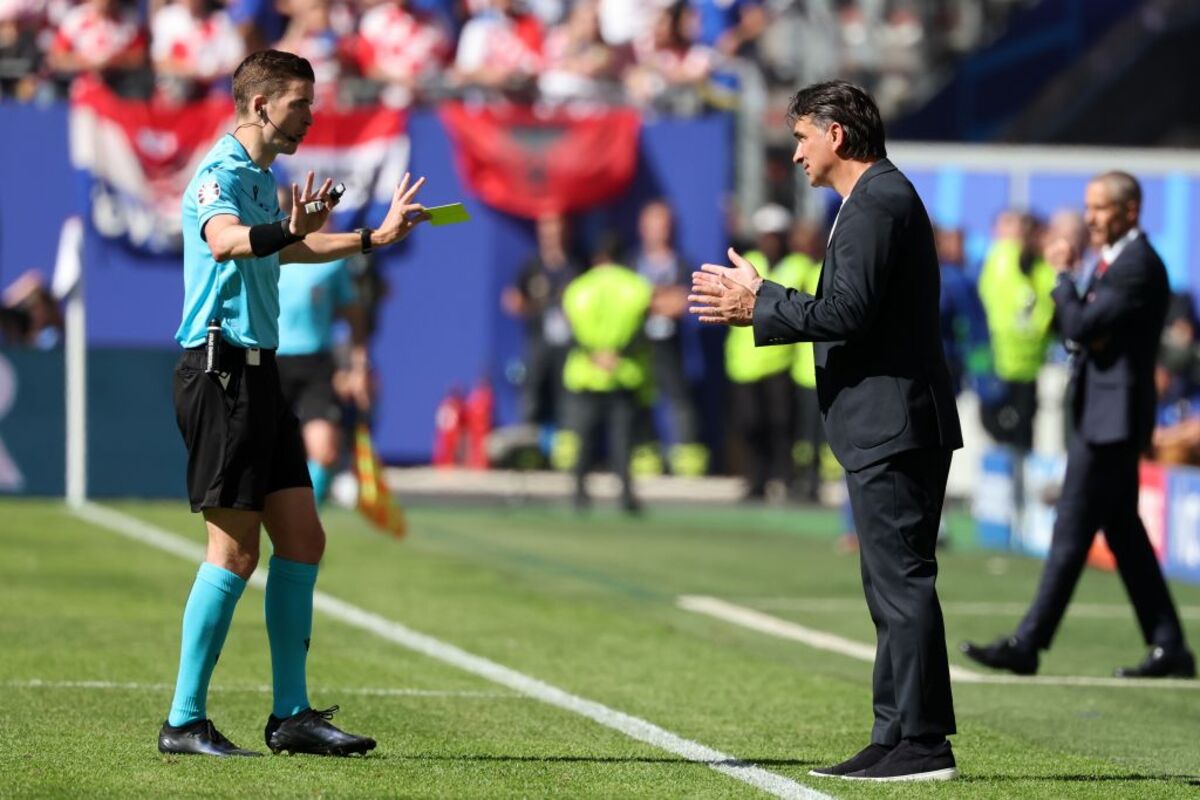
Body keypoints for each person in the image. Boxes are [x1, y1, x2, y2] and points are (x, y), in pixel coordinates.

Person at [689, 80, 962, 781]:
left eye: (802, 138)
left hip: (896, 421)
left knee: (901, 582)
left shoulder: (879, 201)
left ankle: (924, 742)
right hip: (884, 421)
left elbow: (849, 312)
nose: (797, 153)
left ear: (836, 135)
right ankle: (893, 733)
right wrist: (766, 301)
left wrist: (761, 303)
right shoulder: (865, 202)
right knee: (886, 587)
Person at [162, 49, 429, 757]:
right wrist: (289, 229)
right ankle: (183, 721)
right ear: (260, 106)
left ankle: (290, 716)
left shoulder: (259, 177)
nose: (310, 116)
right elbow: (226, 244)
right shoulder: (219, 174)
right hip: (220, 374)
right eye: (300, 104)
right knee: (234, 551)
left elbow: (286, 251)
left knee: (303, 539)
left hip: (261, 375)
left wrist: (372, 237)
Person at [961, 171, 1196, 680]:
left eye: (1100, 209)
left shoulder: (1138, 265)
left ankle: (1029, 642)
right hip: (1100, 415)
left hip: (1110, 421)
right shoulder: (1115, 261)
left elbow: (1082, 326)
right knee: (1125, 535)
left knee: (1071, 529)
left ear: (1130, 210)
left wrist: (1064, 280)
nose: (1090, 218)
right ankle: (1169, 644)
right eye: (1087, 208)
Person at [275, 186, 370, 505]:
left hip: (316, 363)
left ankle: (304, 523)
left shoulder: (332, 259)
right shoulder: (263, 251)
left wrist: (356, 366)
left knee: (325, 450)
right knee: (266, 453)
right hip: (269, 361)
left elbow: (354, 316)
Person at [561, 233, 652, 513]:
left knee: (584, 441)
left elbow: (569, 331)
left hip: (587, 373)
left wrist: (594, 353)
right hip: (623, 372)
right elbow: (642, 330)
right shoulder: (637, 287)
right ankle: (626, 496)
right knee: (623, 442)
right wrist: (617, 354)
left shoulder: (577, 288)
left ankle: (579, 494)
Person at [724, 204, 798, 503]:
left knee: (781, 424)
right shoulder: (747, 263)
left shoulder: (797, 265)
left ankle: (784, 478)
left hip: (780, 361)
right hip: (746, 363)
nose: (771, 241)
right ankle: (755, 478)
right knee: (750, 424)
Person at [632, 199, 707, 477]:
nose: (658, 231)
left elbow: (683, 301)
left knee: (678, 399)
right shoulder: (632, 262)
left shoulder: (681, 263)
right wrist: (658, 301)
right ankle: (645, 453)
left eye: (662, 225)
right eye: (652, 225)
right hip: (640, 346)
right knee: (640, 399)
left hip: (672, 347)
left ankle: (686, 456)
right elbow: (631, 302)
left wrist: (653, 301)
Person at [976, 211, 1056, 453]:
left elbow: (1044, 307)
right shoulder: (1000, 258)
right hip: (997, 360)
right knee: (999, 428)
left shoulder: (1040, 266)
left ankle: (1014, 485)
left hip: (1025, 365)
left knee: (1019, 432)